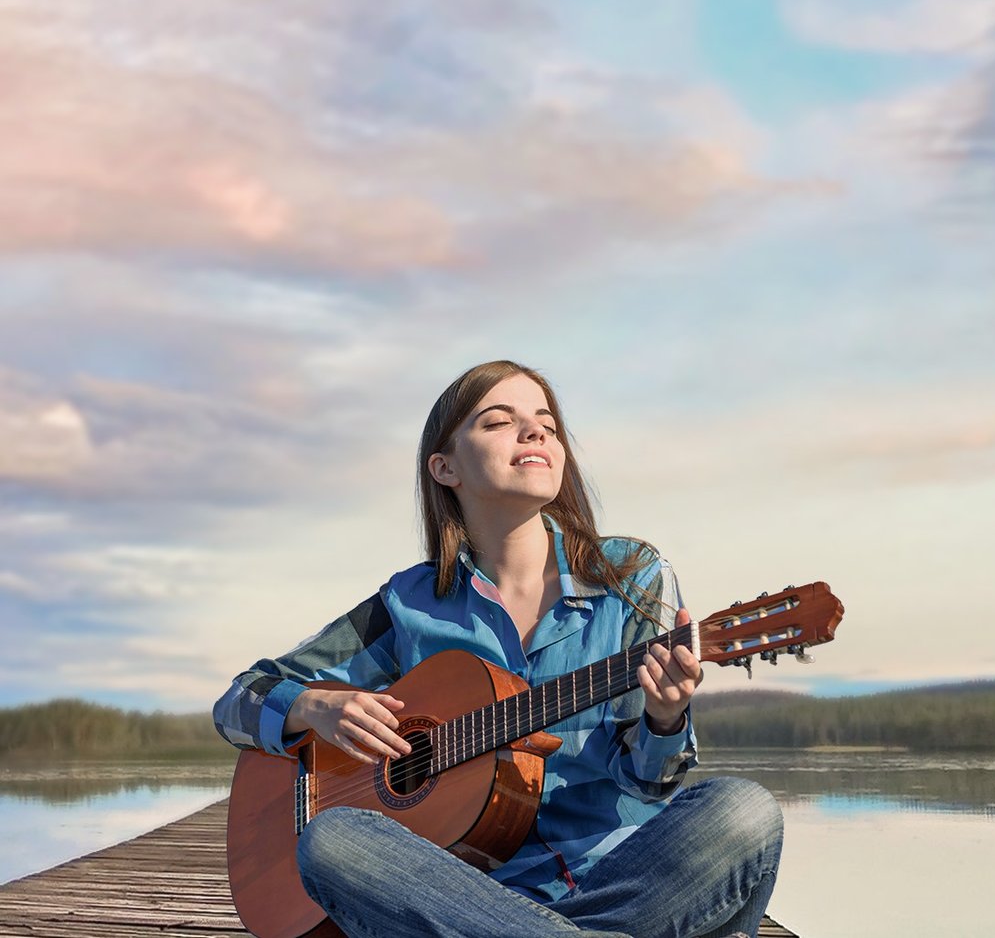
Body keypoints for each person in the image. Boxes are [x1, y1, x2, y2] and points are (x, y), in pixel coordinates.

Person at [211, 360, 782, 938]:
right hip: (464, 896)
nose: (534, 432)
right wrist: (313, 707)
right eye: (499, 421)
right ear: (446, 466)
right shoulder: (410, 603)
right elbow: (239, 699)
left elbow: (651, 784)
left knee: (744, 810)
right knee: (330, 840)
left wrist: (666, 717)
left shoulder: (631, 577)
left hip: (618, 881)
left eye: (547, 424)